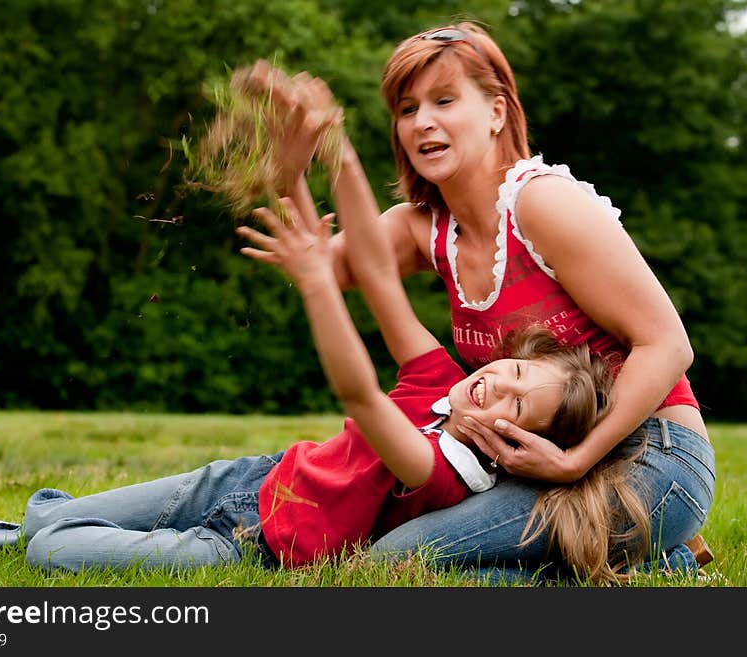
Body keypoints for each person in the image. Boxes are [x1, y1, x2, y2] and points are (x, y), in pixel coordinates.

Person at [243, 20, 716, 578]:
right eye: (407, 108)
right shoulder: (424, 229)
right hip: (535, 462)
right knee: (400, 558)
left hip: (650, 453)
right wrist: (293, 172)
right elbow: (316, 267)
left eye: (444, 99)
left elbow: (667, 344)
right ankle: (656, 566)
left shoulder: (543, 205)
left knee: (401, 559)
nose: (423, 122)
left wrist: (575, 461)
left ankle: (654, 556)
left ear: (496, 112)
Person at [0, 195, 619, 580]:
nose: (498, 389)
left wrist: (318, 285)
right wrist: (334, 150)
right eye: (516, 373)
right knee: (43, 520)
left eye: (519, 407)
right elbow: (382, 279)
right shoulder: (445, 379)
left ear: (515, 445)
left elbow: (359, 395)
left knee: (49, 547)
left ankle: (42, 531)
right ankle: (43, 518)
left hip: (244, 546)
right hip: (244, 479)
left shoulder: (443, 472)